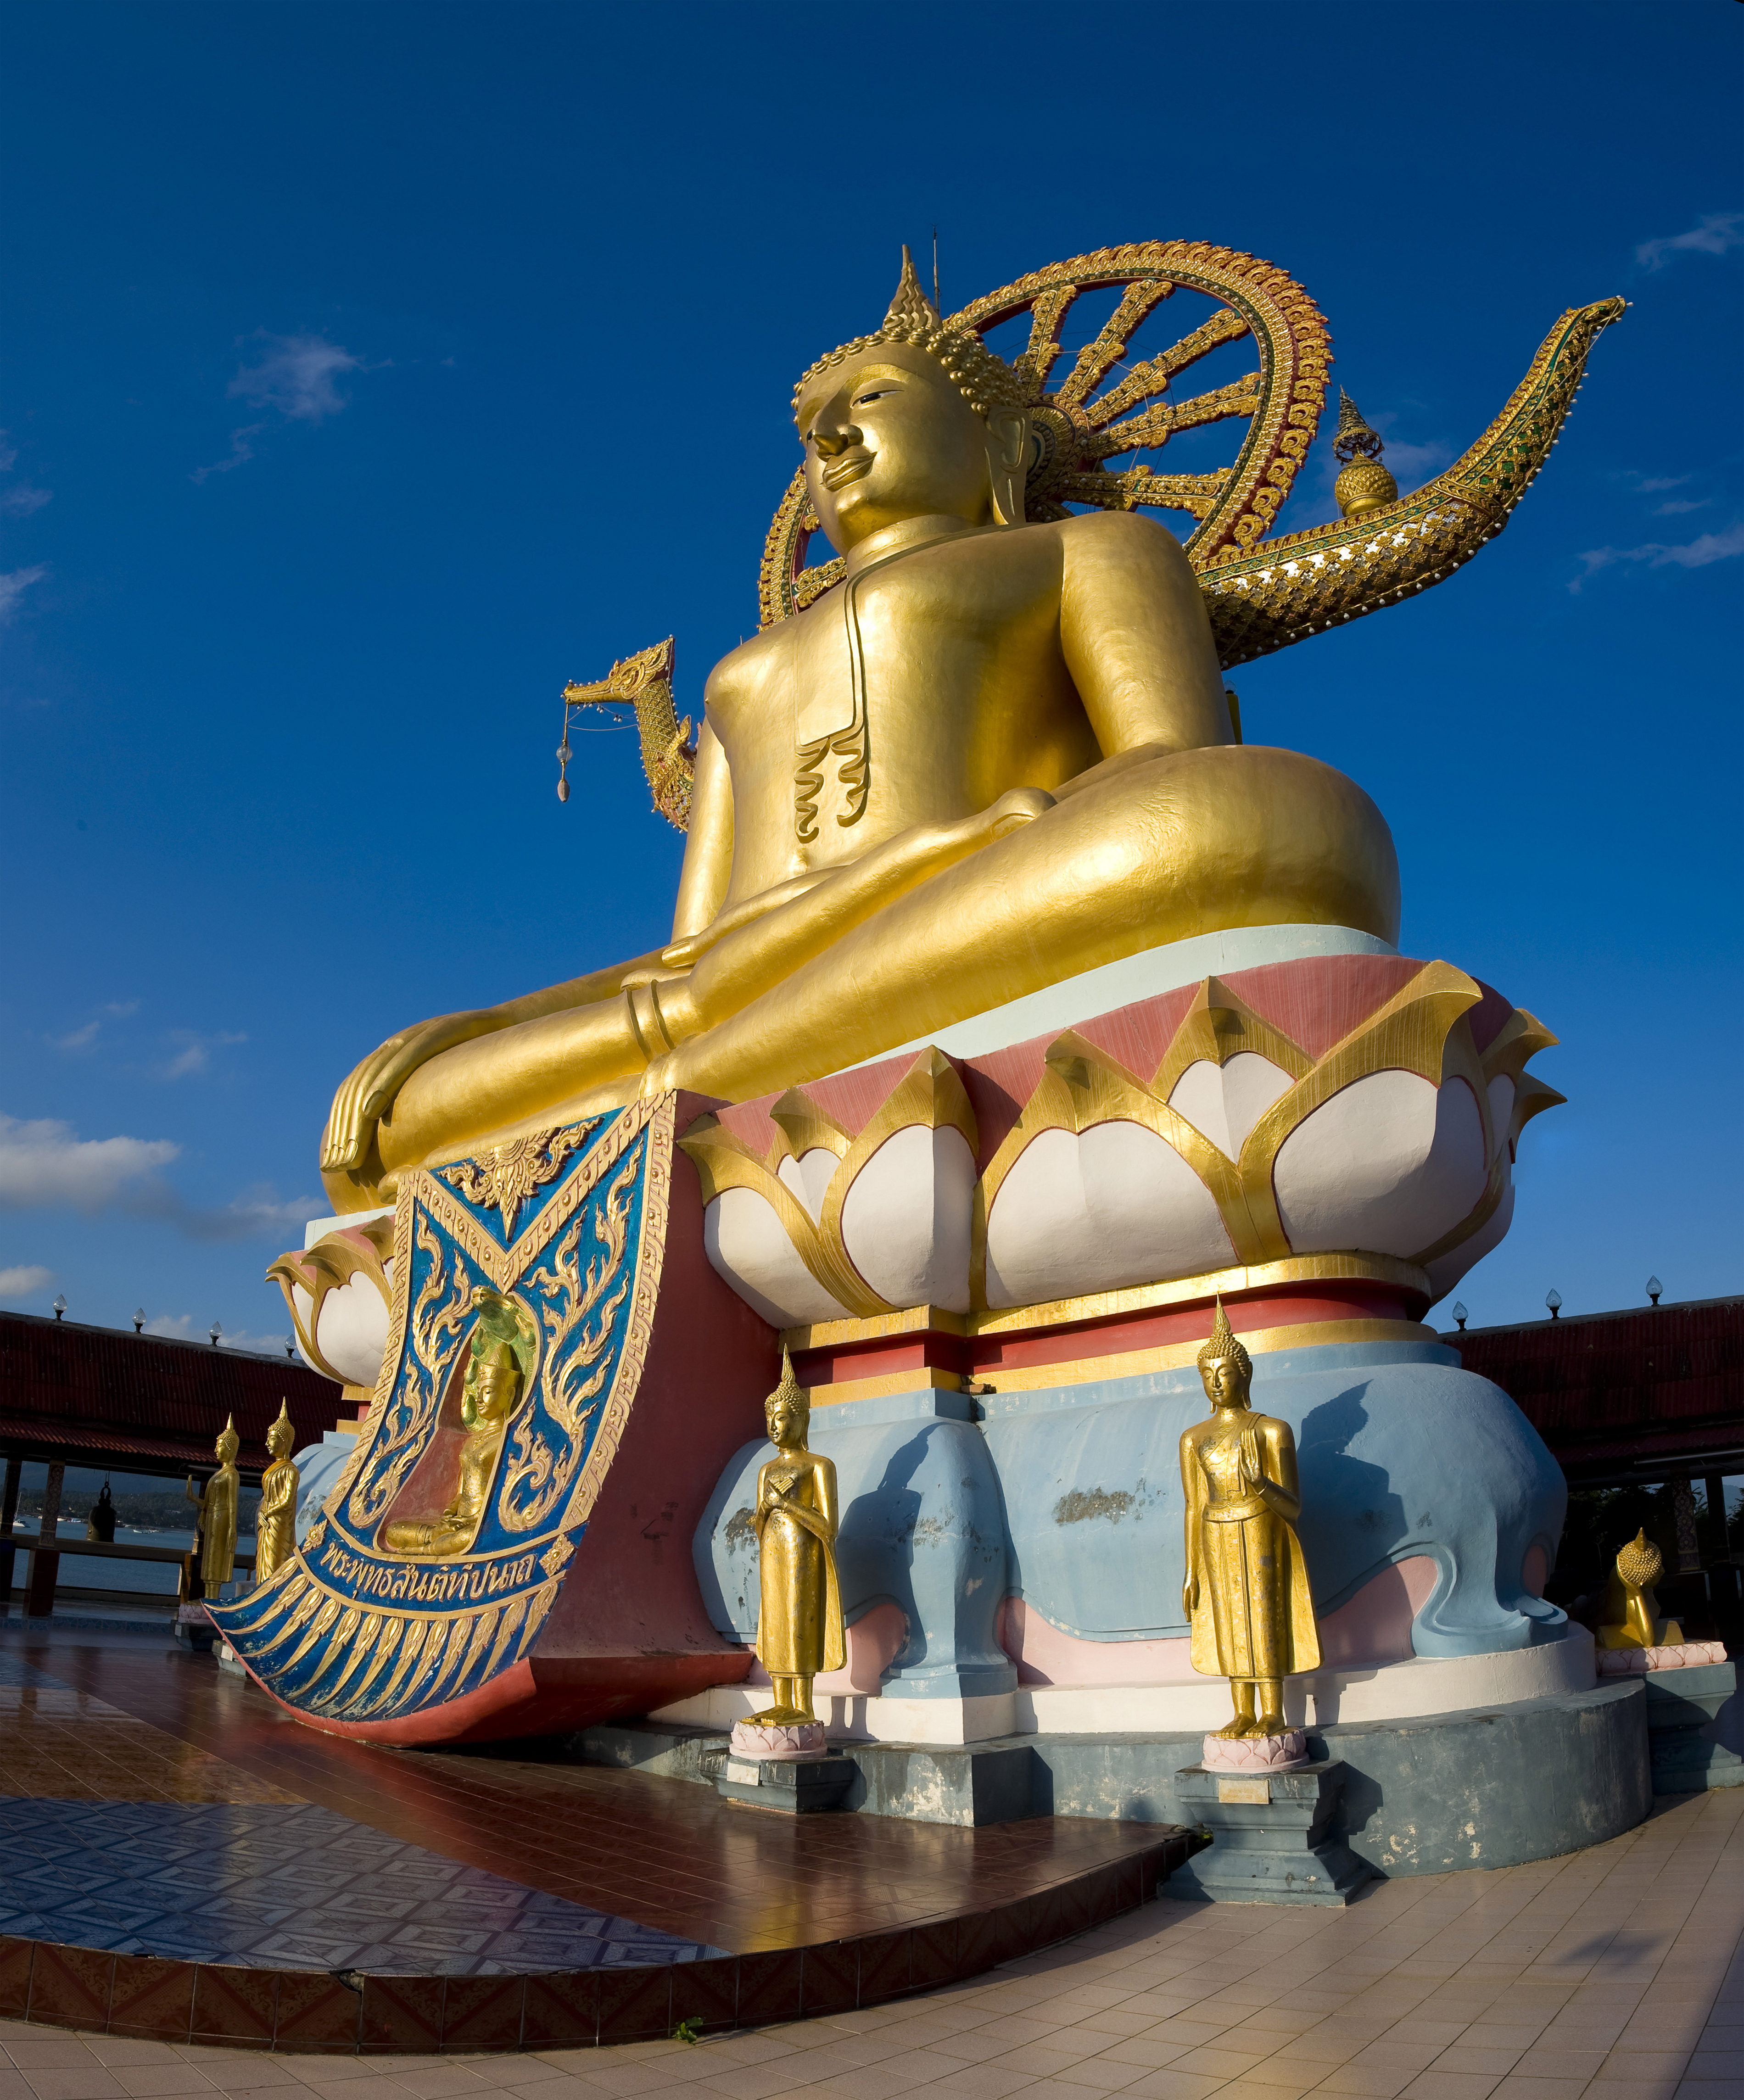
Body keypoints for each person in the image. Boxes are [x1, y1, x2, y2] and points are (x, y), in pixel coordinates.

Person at [317, 255, 1397, 1213]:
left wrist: (952, 854)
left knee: (1270, 818)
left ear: (1002, 441)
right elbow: (690, 951)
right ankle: (677, 1095)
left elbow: (1166, 768)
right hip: (729, 986)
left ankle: (653, 1114)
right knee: (404, 1106)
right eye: (810, 426)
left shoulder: (1096, 552)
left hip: (955, 903)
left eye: (870, 398)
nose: (829, 438)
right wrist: (485, 1020)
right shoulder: (745, 670)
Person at [1179, 1299, 1319, 1736]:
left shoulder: (1271, 1431)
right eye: (1208, 1374)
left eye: (1224, 1372)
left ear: (1245, 1374)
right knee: (1228, 1616)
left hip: (1261, 1526)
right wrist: (1191, 1571)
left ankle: (1273, 1710)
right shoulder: (1193, 1439)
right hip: (1214, 1534)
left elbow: (1294, 1508)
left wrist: (1261, 1485)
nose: (1216, 1382)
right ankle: (1242, 1710)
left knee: (1263, 1610)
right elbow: (1193, 1505)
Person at [749, 1352, 844, 1724]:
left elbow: (828, 1528)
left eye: (782, 1417)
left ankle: (802, 1708)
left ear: (802, 1419)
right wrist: (767, 1509)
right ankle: (778, 1702)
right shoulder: (767, 1470)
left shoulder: (819, 1466)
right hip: (773, 1559)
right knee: (775, 1625)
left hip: (805, 1560)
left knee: (798, 1623)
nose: (774, 1425)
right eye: (770, 1418)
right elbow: (759, 1526)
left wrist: (787, 1504)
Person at [380, 1342, 520, 1559]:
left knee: (470, 1538)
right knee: (394, 1531)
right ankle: (435, 1538)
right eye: (478, 1392)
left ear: (510, 1394)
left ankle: (423, 1551)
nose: (480, 1399)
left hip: (475, 1525)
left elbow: (503, 1495)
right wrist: (449, 1513)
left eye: (489, 1391)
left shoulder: (506, 1441)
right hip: (454, 1522)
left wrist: (474, 1520)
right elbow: (462, 1491)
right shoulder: (473, 1441)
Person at [184, 1418, 240, 1591]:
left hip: (223, 1519)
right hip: (213, 1518)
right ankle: (208, 1597)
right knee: (209, 1559)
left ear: (230, 1449)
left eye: (220, 1446)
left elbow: (233, 1503)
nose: (216, 1449)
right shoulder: (220, 1473)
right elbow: (210, 1504)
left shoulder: (231, 1474)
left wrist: (232, 1529)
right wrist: (193, 1498)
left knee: (216, 1559)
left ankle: (213, 1597)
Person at [254, 1401, 300, 1582]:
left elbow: (287, 1502)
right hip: (266, 1522)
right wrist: (262, 1514)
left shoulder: (291, 1470)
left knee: (275, 1565)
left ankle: (271, 1598)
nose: (267, 1443)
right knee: (262, 1565)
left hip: (279, 1523)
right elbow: (267, 1497)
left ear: (285, 1441)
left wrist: (268, 1511)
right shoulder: (274, 1468)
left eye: (272, 1439)